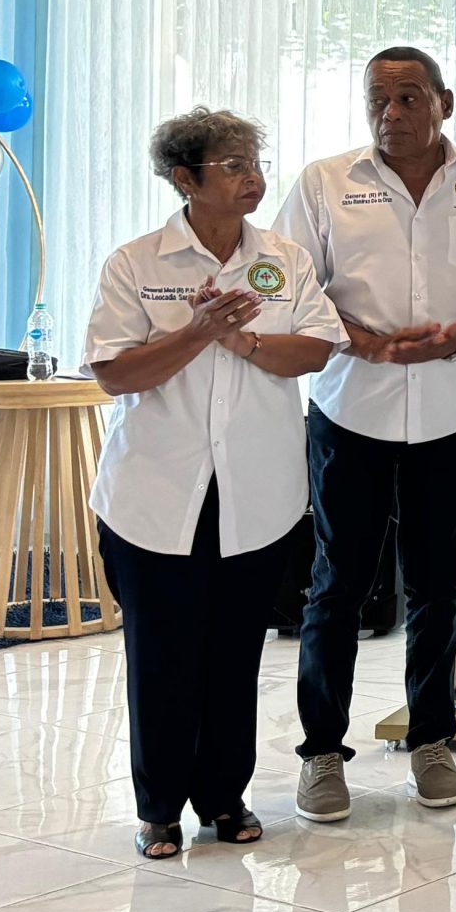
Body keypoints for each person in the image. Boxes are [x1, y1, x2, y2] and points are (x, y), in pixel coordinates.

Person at [86, 109, 345, 858]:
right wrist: (195, 334)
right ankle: (159, 808)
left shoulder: (285, 260)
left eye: (254, 161)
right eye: (232, 165)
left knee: (235, 655)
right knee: (162, 657)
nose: (252, 176)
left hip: (256, 494)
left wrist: (244, 339)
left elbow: (319, 349)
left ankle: (225, 800)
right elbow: (111, 370)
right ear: (185, 179)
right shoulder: (137, 263)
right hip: (154, 497)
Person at [277, 47, 456, 822]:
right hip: (352, 410)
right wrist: (368, 341)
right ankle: (321, 753)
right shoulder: (325, 183)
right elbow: (290, 288)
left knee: (437, 584)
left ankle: (432, 741)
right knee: (336, 584)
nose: (392, 114)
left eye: (410, 98)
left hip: (451, 408)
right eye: (378, 100)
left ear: (444, 102)